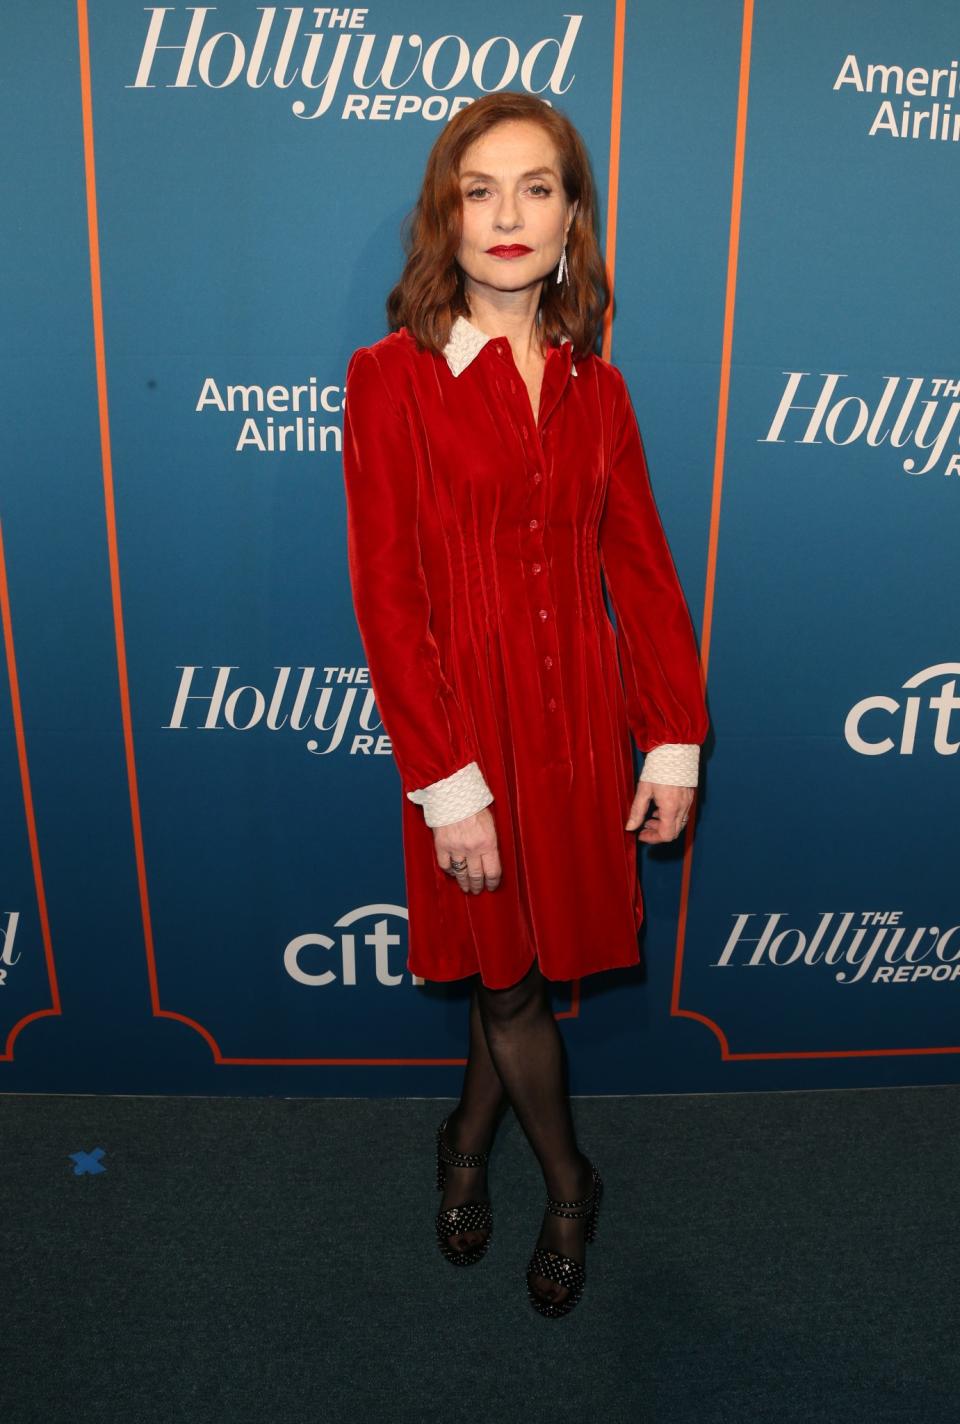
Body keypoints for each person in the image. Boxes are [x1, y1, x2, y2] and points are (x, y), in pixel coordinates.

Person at [341, 91, 709, 1319]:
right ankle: (566, 1180)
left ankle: (461, 1132)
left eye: (536, 187)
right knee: (507, 979)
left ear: (571, 218)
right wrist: (448, 785)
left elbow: (645, 576)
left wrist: (670, 742)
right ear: (444, 214)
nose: (508, 215)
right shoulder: (392, 380)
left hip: (576, 728)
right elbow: (389, 601)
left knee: (528, 966)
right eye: (479, 187)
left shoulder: (600, 393)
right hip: (467, 728)